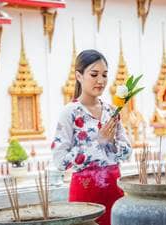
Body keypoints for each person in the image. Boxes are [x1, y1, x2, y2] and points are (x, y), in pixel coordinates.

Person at [51, 49, 132, 225]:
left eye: (104, 75)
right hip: (85, 193)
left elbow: (127, 153)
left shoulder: (112, 111)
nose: (101, 81)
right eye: (94, 74)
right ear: (79, 76)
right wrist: (97, 142)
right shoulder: (70, 113)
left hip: (114, 190)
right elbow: (59, 161)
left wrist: (113, 143)